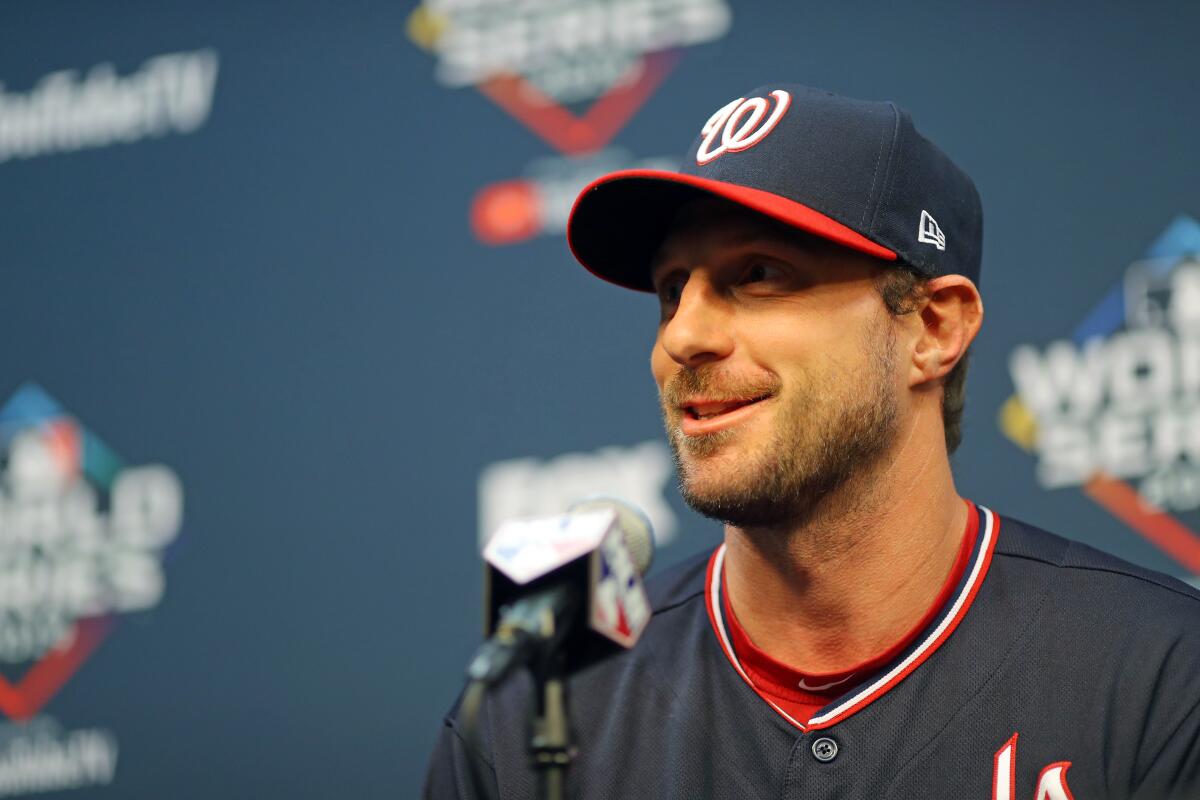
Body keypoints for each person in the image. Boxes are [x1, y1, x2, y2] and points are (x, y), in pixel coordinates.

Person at [424, 84, 1200, 799]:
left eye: (759, 273)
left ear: (933, 328)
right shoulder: (539, 710)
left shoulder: (1160, 676)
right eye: (671, 291)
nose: (683, 336)